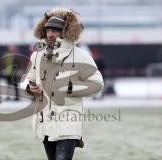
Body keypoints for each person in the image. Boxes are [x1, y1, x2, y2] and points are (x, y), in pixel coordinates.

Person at [24, 7, 104, 160]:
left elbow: (98, 84)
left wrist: (70, 88)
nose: (50, 34)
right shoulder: (37, 55)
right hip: (45, 120)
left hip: (69, 120)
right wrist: (29, 87)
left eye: (55, 31)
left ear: (65, 32)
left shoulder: (81, 55)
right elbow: (28, 79)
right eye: (48, 30)